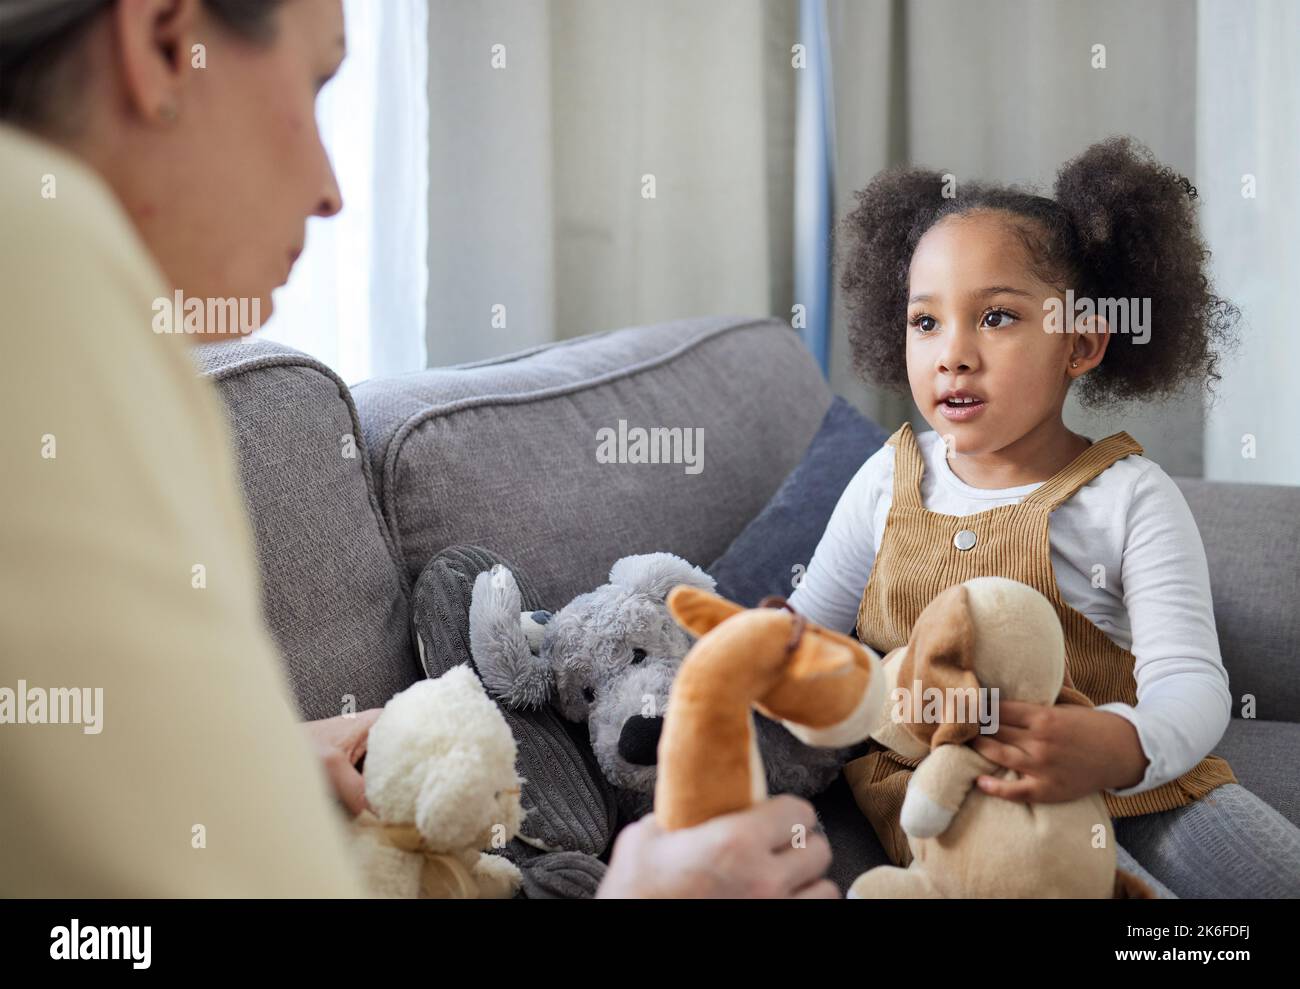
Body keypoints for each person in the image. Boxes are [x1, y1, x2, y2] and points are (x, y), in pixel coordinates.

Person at [0, 0, 836, 899]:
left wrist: (255, 763)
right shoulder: (45, 271)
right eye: (317, 82)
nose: (332, 190)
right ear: (168, 43)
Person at [787, 138, 1300, 897]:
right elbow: (813, 633)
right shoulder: (888, 480)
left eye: (995, 316)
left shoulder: (1129, 495)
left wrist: (1122, 743)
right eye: (925, 322)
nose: (952, 355)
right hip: (957, 800)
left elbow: (1190, 680)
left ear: (1082, 342)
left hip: (1138, 782)